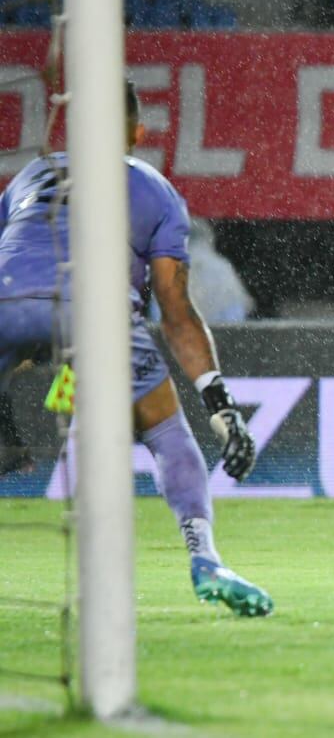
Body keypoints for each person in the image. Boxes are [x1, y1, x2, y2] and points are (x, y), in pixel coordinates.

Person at [0, 81, 273, 614]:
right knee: (163, 428)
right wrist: (222, 407)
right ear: (137, 133)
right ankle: (206, 560)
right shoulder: (153, 189)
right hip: (92, 306)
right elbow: (176, 313)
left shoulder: (29, 176)